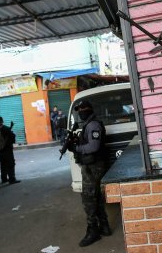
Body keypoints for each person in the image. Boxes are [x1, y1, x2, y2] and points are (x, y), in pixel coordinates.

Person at [68, 100, 111, 247]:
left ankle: (93, 231)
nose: (81, 112)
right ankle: (104, 227)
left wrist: (77, 148)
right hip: (91, 166)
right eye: (79, 109)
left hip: (94, 167)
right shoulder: (88, 124)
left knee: (88, 199)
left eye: (83, 109)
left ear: (90, 110)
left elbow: (93, 146)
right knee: (96, 197)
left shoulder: (93, 125)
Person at [0, 116, 20, 184]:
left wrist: (10, 127)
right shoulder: (5, 128)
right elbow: (12, 135)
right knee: (10, 163)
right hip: (7, 149)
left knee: (3, 164)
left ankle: (4, 178)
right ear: (2, 120)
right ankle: (12, 179)